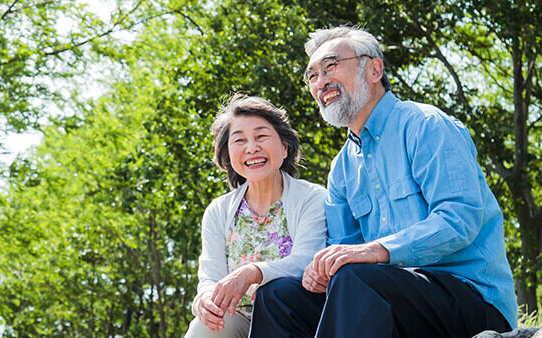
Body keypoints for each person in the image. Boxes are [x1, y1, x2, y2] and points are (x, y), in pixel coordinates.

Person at [249, 26, 518, 338]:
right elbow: (345, 249)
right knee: (278, 297)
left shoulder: (426, 126)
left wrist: (377, 250)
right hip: (383, 299)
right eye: (312, 75)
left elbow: (460, 219)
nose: (320, 82)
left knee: (355, 278)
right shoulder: (342, 168)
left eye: (331, 66)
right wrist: (323, 272)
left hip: (471, 300)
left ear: (374, 69)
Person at [184, 94, 327, 338]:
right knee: (204, 328)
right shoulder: (218, 211)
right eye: (239, 140)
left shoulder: (313, 198)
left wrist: (253, 272)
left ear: (284, 148)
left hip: (294, 316)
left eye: (261, 136)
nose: (252, 148)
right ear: (228, 156)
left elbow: (305, 260)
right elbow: (209, 276)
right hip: (239, 319)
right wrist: (205, 300)